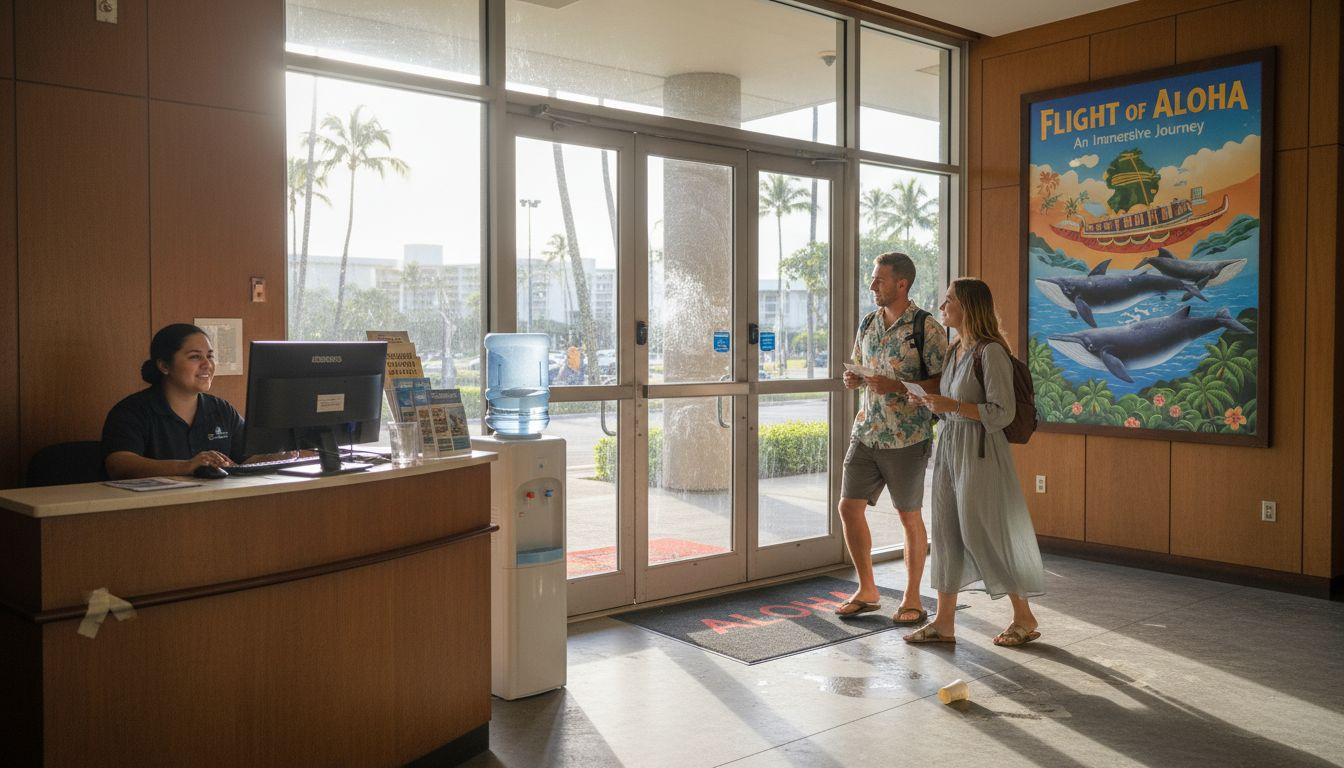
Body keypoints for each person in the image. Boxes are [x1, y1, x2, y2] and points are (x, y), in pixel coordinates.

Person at [904, 278, 1046, 647]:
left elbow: (1002, 412)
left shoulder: (991, 353)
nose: (941, 306)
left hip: (981, 453)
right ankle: (944, 622)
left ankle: (1024, 617)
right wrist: (931, 403)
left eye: (948, 300)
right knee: (948, 534)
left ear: (967, 306)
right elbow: (953, 403)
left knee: (983, 534)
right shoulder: (954, 351)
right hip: (951, 449)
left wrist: (951, 406)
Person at [835, 252, 948, 625]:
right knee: (848, 507)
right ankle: (867, 590)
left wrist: (897, 385)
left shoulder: (926, 327)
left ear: (902, 284)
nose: (872, 286)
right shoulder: (868, 322)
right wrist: (854, 378)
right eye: (873, 279)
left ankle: (913, 598)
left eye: (879, 280)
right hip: (867, 431)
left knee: (908, 516)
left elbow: (942, 383)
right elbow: (859, 366)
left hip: (908, 437)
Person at [102, 323, 249, 479]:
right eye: (195, 357)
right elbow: (119, 464)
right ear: (164, 366)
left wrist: (276, 455)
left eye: (210, 356)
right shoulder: (131, 411)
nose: (207, 364)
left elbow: (250, 457)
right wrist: (187, 466)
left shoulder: (222, 409)